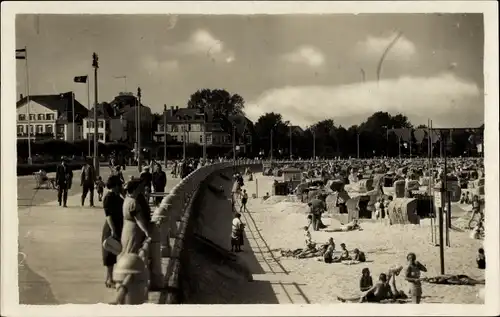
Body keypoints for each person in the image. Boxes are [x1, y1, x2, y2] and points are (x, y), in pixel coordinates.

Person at [101, 175, 124, 288]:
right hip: (111, 227)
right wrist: (113, 230)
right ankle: (109, 279)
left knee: (113, 253)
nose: (120, 187)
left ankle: (108, 279)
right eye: (119, 185)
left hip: (117, 226)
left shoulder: (117, 196)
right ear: (114, 185)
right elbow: (108, 215)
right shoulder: (109, 197)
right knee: (109, 254)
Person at [120, 179, 151, 255]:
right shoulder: (134, 202)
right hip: (134, 231)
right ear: (135, 189)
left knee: (126, 251)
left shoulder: (127, 199)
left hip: (126, 229)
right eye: (140, 188)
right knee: (132, 253)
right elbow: (139, 220)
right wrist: (147, 232)